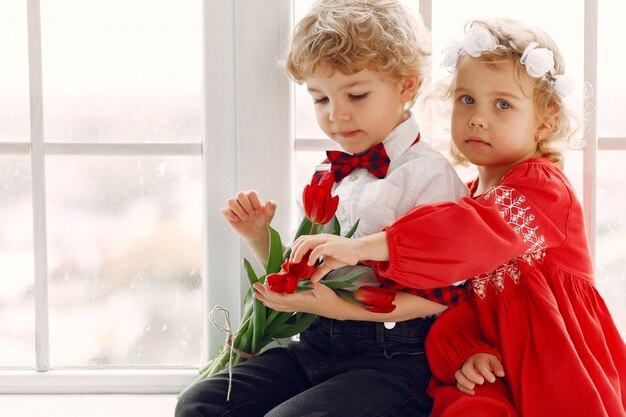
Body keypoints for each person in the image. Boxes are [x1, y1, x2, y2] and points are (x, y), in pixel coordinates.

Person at [289, 18, 626, 417]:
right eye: (466, 99)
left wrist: (360, 247)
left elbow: (467, 234)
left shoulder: (543, 188)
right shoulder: (463, 193)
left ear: (545, 120)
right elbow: (454, 300)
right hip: (490, 366)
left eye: (502, 104)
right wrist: (466, 352)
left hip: (551, 360)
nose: (478, 118)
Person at [175, 1, 468, 416]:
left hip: (390, 361)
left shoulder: (430, 176)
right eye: (319, 99)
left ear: (406, 85)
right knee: (200, 404)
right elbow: (306, 272)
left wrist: (338, 307)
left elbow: (444, 296)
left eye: (356, 94)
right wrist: (262, 237)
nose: (337, 114)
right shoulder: (328, 172)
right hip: (314, 346)